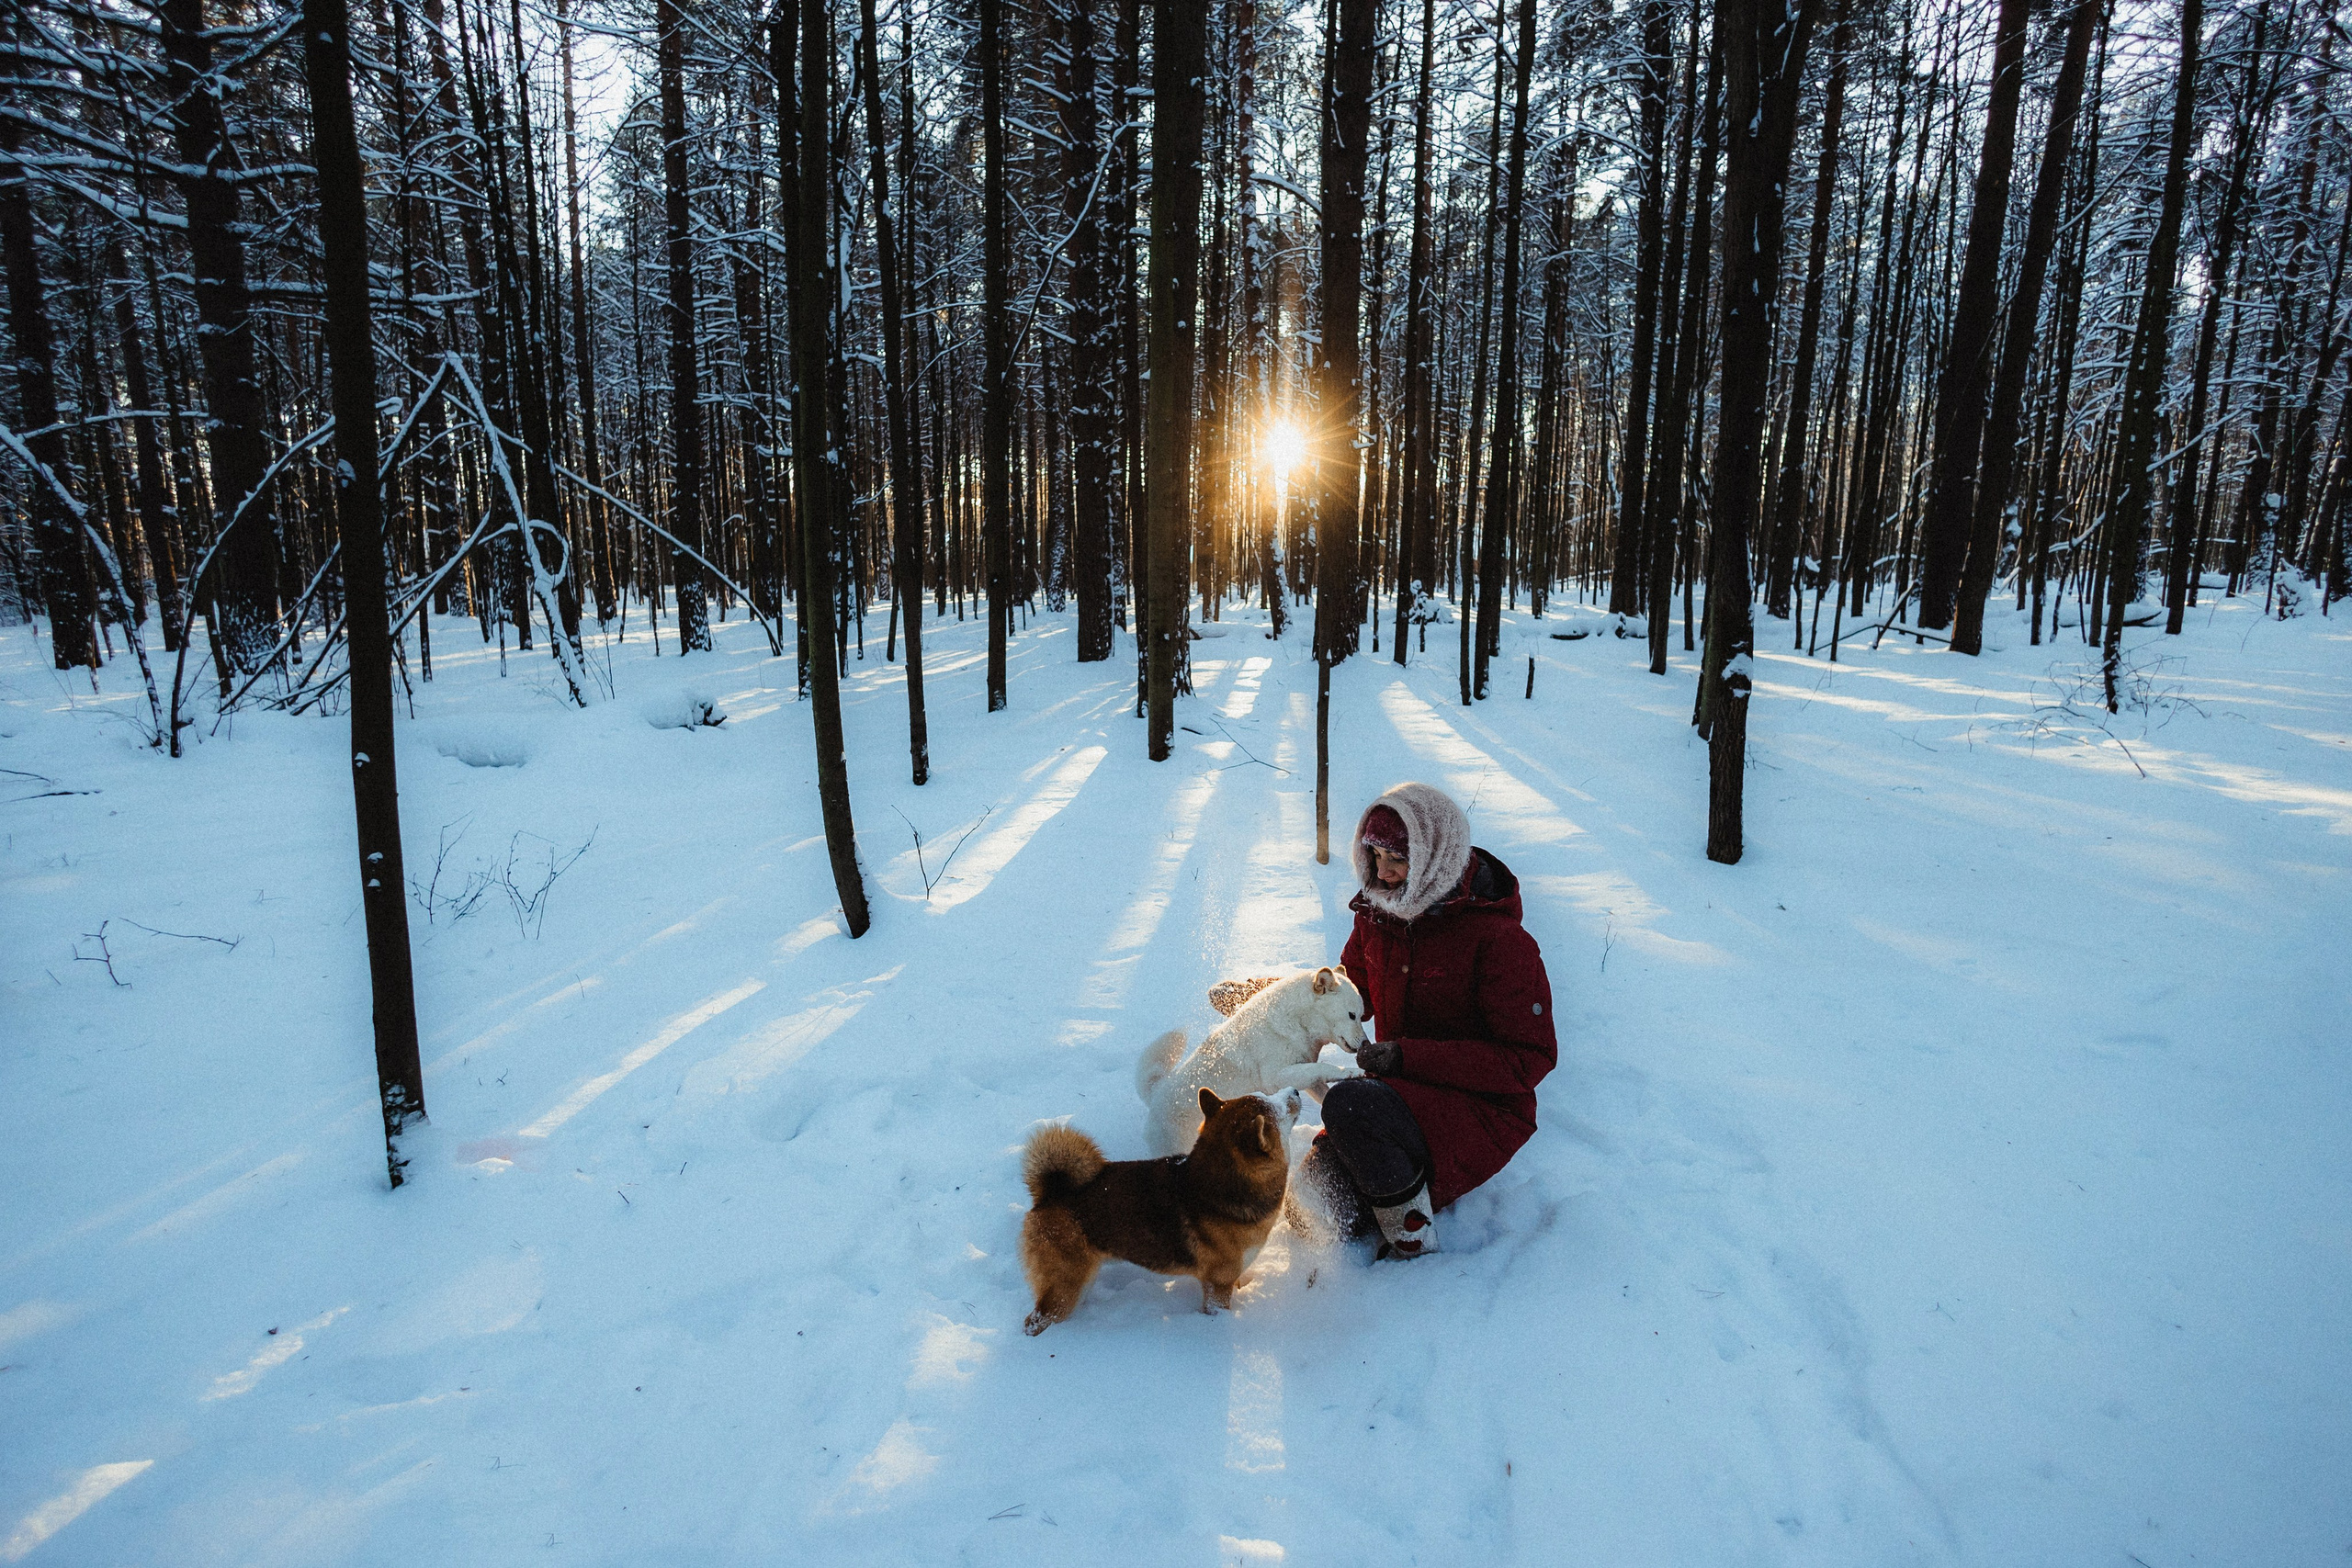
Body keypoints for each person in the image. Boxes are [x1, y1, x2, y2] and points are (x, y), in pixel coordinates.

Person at [1297, 781, 1556, 1258]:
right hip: (1395, 1097)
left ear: (1435, 857)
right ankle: (1380, 1213)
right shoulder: (1378, 915)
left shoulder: (1498, 940)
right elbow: (1352, 992)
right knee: (1311, 1199)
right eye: (1374, 856)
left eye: (1397, 859)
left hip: (1481, 1108)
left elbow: (1529, 1059)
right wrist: (1281, 1008)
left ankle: (1412, 1244)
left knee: (1348, 1106)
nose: (1383, 873)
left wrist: (1406, 1057)